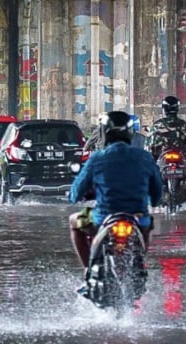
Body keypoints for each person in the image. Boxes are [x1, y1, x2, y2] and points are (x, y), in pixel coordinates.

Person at [69, 111, 162, 297]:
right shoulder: (144, 157)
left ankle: (88, 271)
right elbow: (157, 195)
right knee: (148, 224)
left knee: (74, 221)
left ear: (105, 133)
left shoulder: (97, 158)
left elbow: (75, 193)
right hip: (138, 218)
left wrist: (79, 195)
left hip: (102, 217)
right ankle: (140, 263)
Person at [148, 95, 186, 199]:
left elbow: (149, 144)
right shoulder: (184, 125)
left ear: (164, 109)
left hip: (163, 156)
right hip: (179, 156)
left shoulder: (157, 125)